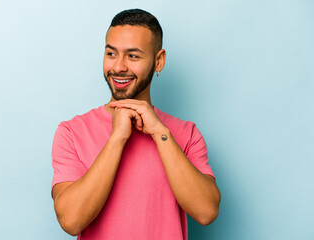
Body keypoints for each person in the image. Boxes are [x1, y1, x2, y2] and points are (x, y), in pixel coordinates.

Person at [51, 9, 221, 240]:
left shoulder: (186, 133)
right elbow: (71, 221)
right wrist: (117, 138)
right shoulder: (72, 132)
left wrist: (160, 132)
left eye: (133, 56)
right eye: (111, 53)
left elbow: (206, 212)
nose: (119, 67)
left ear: (158, 61)